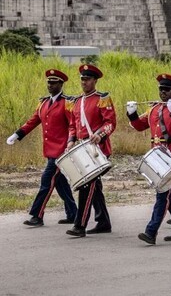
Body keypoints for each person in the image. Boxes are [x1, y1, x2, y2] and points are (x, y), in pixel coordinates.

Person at [6, 69, 77, 227]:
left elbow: (73, 125)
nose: (50, 85)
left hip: (61, 151)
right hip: (49, 150)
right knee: (59, 182)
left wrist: (71, 141)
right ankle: (73, 213)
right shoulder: (44, 103)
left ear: (61, 84)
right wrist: (17, 134)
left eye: (54, 83)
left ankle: (37, 215)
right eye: (49, 83)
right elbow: (33, 121)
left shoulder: (67, 103)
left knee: (46, 180)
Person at [129, 73, 171, 244]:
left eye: (167, 89)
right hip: (158, 158)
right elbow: (139, 126)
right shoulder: (154, 108)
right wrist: (132, 114)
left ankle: (151, 231)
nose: (163, 92)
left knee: (163, 195)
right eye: (161, 89)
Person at [65, 64, 115, 238]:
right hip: (82, 148)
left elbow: (110, 123)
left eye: (87, 79)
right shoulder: (77, 101)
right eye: (82, 79)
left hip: (97, 149)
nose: (84, 82)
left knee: (87, 185)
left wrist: (100, 135)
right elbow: (73, 125)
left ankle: (80, 225)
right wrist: (71, 140)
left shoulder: (102, 98)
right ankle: (103, 222)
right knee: (94, 187)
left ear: (95, 80)